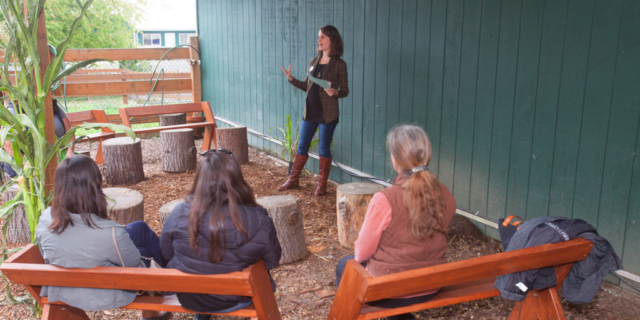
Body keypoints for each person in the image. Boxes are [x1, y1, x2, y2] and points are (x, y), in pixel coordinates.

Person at [334, 125, 457, 320]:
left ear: (394, 159)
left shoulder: (385, 199)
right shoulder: (444, 193)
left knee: (344, 265)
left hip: (389, 290)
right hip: (432, 284)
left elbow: (361, 253)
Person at [36, 155, 168, 320]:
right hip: (103, 292)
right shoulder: (111, 233)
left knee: (139, 228)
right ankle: (161, 294)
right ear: (94, 187)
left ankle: (153, 311)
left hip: (65, 286)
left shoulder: (46, 219)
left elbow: (46, 255)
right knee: (144, 250)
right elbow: (133, 265)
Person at [160, 149, 282, 320]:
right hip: (239, 296)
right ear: (237, 180)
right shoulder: (260, 219)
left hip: (190, 296)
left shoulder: (178, 213)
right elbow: (271, 260)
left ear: (200, 180)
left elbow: (165, 253)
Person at [279, 25, 349, 196]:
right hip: (310, 112)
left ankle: (321, 185)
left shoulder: (340, 64)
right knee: (302, 146)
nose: (319, 40)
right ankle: (293, 179)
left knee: (324, 149)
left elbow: (345, 90)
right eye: (318, 37)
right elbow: (306, 85)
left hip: (328, 114)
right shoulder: (313, 61)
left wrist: (335, 92)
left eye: (323, 37)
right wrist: (291, 79)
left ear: (332, 40)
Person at [1, 98, 75, 177]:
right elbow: (7, 143)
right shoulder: (13, 111)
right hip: (34, 163)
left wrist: (70, 150)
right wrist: (26, 163)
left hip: (61, 155)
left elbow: (69, 131)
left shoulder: (51, 106)